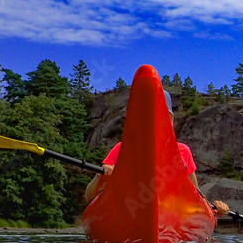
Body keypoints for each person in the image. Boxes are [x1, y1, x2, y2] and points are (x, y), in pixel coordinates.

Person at [84, 90, 230, 217]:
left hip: (174, 213)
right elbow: (89, 197)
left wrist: (216, 208)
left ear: (171, 118)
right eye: (145, 115)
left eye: (159, 113)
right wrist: (102, 177)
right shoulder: (121, 149)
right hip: (128, 209)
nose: (153, 120)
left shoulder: (184, 152)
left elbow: (197, 198)